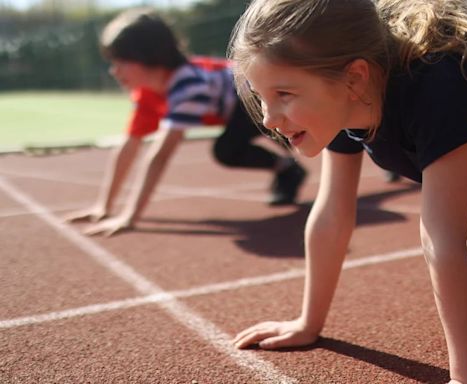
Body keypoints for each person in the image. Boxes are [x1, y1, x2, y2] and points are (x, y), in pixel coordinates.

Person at [227, 0, 467, 383]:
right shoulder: (347, 99)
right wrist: (308, 322)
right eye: (261, 96)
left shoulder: (434, 84)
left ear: (354, 77)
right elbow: (332, 215)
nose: (267, 118)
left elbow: (442, 241)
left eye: (285, 94)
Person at [64, 8, 307, 235]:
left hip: (250, 95)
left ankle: (297, 167)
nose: (113, 71)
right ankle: (288, 168)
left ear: (148, 57)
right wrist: (104, 207)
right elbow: (130, 146)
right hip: (235, 107)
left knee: (234, 147)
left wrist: (129, 217)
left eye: (120, 62)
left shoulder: (186, 85)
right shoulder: (147, 93)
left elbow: (159, 156)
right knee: (234, 147)